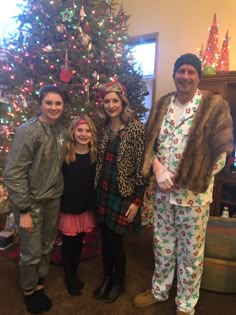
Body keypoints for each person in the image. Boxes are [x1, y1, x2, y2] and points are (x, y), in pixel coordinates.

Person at [133, 53, 234, 315]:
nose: (185, 76)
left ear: (198, 76)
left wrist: (188, 178)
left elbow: (221, 155)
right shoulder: (162, 105)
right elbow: (149, 146)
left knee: (191, 253)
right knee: (163, 245)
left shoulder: (214, 106)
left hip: (194, 197)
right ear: (174, 74)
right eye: (181, 71)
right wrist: (157, 170)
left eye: (191, 71)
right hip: (163, 194)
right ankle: (159, 290)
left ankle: (186, 304)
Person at [3, 85, 68, 314]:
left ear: (63, 106)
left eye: (58, 103)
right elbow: (13, 173)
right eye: (48, 102)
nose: (53, 107)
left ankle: (39, 284)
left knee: (46, 246)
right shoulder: (28, 131)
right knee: (30, 251)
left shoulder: (61, 131)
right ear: (40, 104)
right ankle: (29, 291)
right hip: (31, 203)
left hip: (52, 200)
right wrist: (23, 209)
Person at [93, 81, 146, 303]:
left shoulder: (136, 128)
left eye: (115, 100)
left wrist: (137, 201)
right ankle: (106, 277)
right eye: (107, 101)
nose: (111, 105)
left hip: (123, 195)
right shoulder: (103, 127)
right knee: (105, 238)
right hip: (103, 190)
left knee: (116, 241)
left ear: (122, 102)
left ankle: (118, 281)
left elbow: (143, 167)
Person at [58, 114, 97, 296]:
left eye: (87, 130)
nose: (83, 134)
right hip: (68, 206)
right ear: (73, 132)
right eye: (79, 130)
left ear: (92, 133)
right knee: (68, 243)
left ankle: (74, 270)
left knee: (79, 241)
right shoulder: (66, 153)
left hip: (85, 205)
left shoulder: (94, 155)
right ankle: (69, 276)